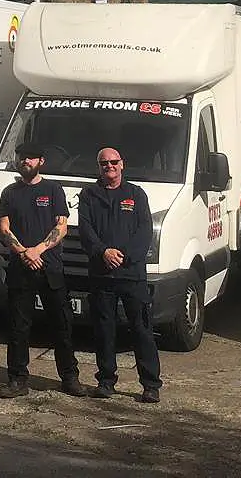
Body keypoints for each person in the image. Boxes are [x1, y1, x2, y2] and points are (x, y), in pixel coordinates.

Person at [0, 141, 86, 398]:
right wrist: (24, 252)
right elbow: (4, 229)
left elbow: (62, 226)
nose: (26, 161)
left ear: (41, 162)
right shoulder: (10, 192)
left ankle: (70, 377)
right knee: (17, 327)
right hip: (20, 267)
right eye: (23, 158)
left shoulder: (53, 189)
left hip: (50, 267)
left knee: (62, 324)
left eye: (32, 158)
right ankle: (17, 380)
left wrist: (38, 250)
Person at [78, 147, 162, 403]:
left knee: (141, 329)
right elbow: (85, 229)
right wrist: (103, 252)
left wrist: (124, 256)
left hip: (131, 275)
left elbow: (144, 230)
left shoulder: (136, 194)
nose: (109, 167)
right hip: (102, 275)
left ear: (122, 165)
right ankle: (106, 381)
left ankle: (150, 384)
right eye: (104, 163)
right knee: (104, 330)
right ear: (99, 167)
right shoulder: (89, 195)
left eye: (114, 162)